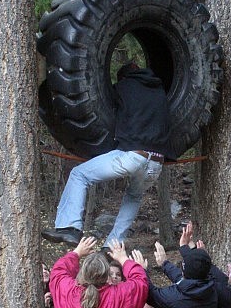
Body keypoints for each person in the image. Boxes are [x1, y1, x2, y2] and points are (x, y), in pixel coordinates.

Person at [42, 62, 175, 247]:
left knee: (79, 175)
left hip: (133, 156)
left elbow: (101, 105)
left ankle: (69, 227)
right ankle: (113, 244)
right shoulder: (160, 91)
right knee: (134, 196)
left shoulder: (124, 87)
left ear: (123, 77)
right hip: (156, 163)